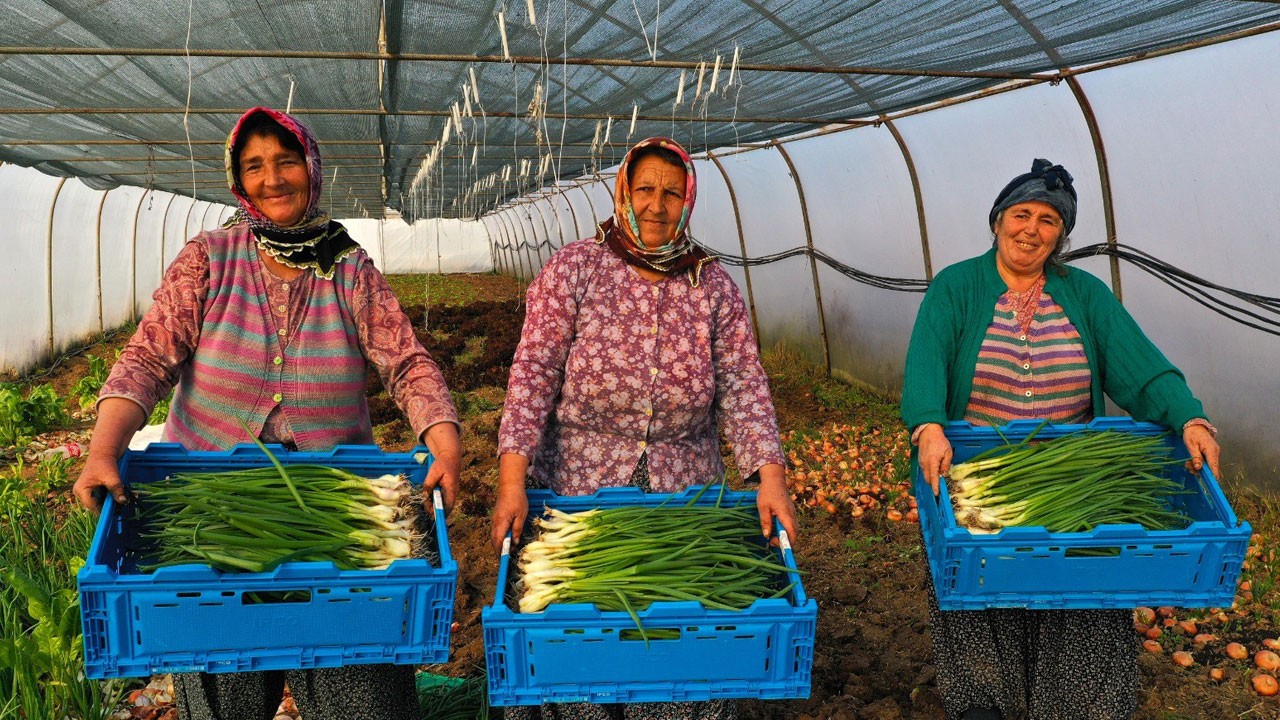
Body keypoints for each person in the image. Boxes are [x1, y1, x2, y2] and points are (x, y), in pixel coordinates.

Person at [71, 106, 462, 720]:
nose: (272, 179)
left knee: (360, 694)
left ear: (310, 166)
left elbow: (407, 363)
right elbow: (147, 359)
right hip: (211, 511)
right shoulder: (209, 259)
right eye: (253, 166)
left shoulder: (349, 267)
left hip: (334, 511)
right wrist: (101, 452)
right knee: (225, 696)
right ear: (237, 179)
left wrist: (442, 439)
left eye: (285, 161)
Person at [490, 137, 799, 720]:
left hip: (681, 501)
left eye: (673, 193)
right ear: (622, 191)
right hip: (578, 498)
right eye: (646, 189)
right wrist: (512, 480)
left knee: (676, 659)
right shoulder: (575, 268)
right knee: (584, 659)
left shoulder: (712, 285)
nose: (657, 205)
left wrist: (770, 476)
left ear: (689, 201)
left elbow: (743, 384)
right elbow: (532, 373)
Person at [901, 158, 1221, 720]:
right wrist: (928, 424)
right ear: (998, 220)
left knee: (1082, 608)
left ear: (1062, 234)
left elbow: (1140, 367)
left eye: (1048, 220)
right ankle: (986, 707)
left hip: (1077, 482)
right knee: (984, 612)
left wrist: (1189, 417)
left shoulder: (1086, 295)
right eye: (1021, 214)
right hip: (979, 482)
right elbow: (926, 365)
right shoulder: (956, 287)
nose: (1031, 229)